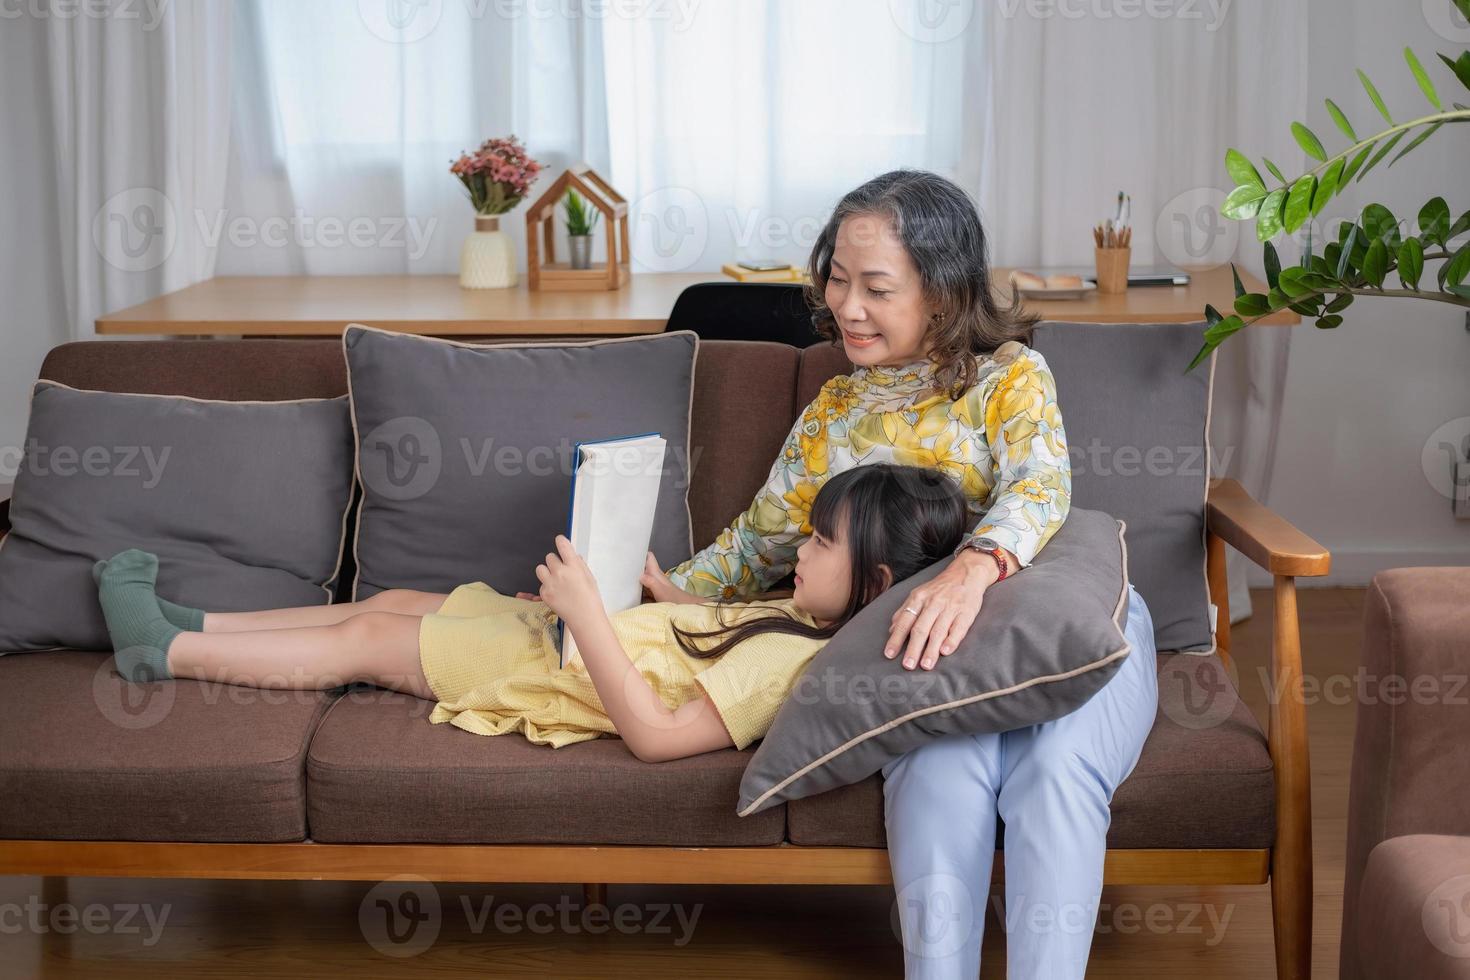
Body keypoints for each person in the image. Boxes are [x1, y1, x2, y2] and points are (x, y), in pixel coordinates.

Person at [640, 168, 1160, 978]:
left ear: (944, 296)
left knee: (1053, 772)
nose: (847, 306)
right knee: (937, 767)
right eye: (839, 280)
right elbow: (758, 546)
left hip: (1065, 631)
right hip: (931, 660)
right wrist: (655, 593)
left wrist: (974, 569)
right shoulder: (833, 414)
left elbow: (1040, 486)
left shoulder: (1010, 379)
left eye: (876, 287)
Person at [92, 464, 970, 765]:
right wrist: (672, 597)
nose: (800, 552)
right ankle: (190, 621)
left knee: (365, 640)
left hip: (555, 669)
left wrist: (588, 612)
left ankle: (162, 654)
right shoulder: (804, 619)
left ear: (873, 580)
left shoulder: (796, 665)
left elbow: (660, 736)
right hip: (565, 637)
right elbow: (716, 631)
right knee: (389, 600)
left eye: (819, 545)